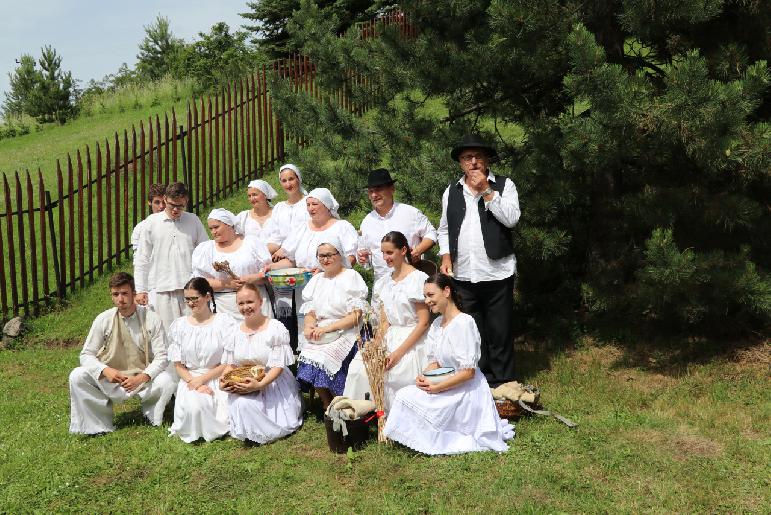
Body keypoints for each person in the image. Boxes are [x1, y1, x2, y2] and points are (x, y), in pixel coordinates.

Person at [383, 273, 512, 455]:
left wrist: (438, 388)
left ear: (446, 291)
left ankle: (443, 434)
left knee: (415, 398)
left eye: (431, 295)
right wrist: (424, 377)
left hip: (466, 389)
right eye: (425, 296)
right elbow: (434, 361)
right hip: (444, 382)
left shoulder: (464, 323)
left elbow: (468, 373)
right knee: (405, 394)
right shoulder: (436, 324)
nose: (427, 301)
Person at [437, 134, 520, 386]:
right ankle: (478, 383)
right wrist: (445, 255)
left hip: (496, 271)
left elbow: (512, 219)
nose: (472, 162)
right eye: (467, 158)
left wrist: (487, 191)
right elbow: (444, 229)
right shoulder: (451, 191)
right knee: (472, 332)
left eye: (478, 157)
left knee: (500, 331)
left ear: (486, 161)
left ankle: (504, 384)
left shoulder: (505, 186)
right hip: (462, 274)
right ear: (460, 163)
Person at [69, 272, 175, 435]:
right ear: (111, 296)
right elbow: (86, 354)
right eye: (115, 294)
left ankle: (151, 415)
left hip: (141, 378)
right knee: (77, 375)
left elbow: (162, 356)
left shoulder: (152, 318)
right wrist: (105, 371)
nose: (121, 299)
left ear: (133, 293)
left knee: (167, 380)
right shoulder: (103, 319)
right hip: (112, 378)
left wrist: (142, 377)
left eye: (125, 293)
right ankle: (97, 425)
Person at [344, 231, 430, 408]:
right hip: (390, 336)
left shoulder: (418, 279)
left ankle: (398, 415)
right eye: (382, 253)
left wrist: (398, 353)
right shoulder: (384, 282)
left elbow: (424, 322)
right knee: (359, 366)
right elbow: (384, 322)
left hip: (413, 336)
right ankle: (361, 413)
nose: (385, 257)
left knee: (397, 370)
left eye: (389, 252)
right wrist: (376, 343)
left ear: (403, 250)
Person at [269, 187, 358, 348]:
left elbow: (351, 257)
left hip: (333, 285)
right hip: (305, 286)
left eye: (315, 204)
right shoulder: (303, 228)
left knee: (331, 327)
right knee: (308, 325)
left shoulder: (342, 226)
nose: (311, 208)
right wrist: (270, 267)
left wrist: (325, 271)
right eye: (308, 205)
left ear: (326, 205)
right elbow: (290, 258)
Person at [220, 283, 302, 444]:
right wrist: (222, 381)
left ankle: (261, 427)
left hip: (272, 381)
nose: (245, 307)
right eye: (241, 303)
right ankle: (248, 428)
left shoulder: (275, 328)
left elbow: (278, 366)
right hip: (243, 380)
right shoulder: (234, 332)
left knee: (246, 405)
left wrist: (259, 385)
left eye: (250, 302)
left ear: (260, 301)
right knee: (241, 403)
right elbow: (230, 365)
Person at [296, 238, 368, 410]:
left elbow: (356, 316)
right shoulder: (316, 280)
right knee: (309, 355)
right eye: (321, 256)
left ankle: (340, 401)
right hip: (322, 330)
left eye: (329, 255)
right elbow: (310, 311)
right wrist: (309, 326)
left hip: (347, 330)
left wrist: (327, 328)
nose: (325, 259)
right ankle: (327, 403)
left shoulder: (351, 277)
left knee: (326, 357)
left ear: (339, 255)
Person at [167, 277, 236, 443]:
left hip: (218, 377)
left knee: (224, 415)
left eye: (195, 298)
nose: (191, 303)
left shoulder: (224, 323)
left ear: (207, 296)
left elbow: (228, 362)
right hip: (189, 380)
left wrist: (203, 380)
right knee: (196, 407)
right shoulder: (179, 326)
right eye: (187, 299)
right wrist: (194, 382)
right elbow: (178, 365)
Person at [134, 182, 209, 332]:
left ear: (186, 201)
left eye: (180, 206)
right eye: (172, 205)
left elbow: (205, 252)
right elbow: (142, 258)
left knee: (195, 330)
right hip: (162, 288)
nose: (175, 210)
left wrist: (204, 283)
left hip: (190, 287)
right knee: (168, 335)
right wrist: (141, 289)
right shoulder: (151, 223)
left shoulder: (193, 220)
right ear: (165, 199)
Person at [192, 208, 273, 320]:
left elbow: (270, 273)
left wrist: (252, 278)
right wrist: (225, 284)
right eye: (211, 228)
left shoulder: (251, 243)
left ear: (229, 225)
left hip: (255, 301)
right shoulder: (206, 249)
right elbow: (200, 282)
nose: (213, 232)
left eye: (216, 227)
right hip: (224, 307)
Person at [357, 169, 437, 280]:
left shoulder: (410, 213)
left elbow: (432, 234)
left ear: (392, 189)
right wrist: (363, 259)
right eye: (371, 191)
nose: (374, 195)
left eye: (378, 189)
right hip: (382, 284)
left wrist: (418, 250)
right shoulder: (367, 222)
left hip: (412, 280)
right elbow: (366, 258)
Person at [130, 183, 167, 308]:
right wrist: (141, 289)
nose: (161, 206)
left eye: (164, 202)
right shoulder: (140, 229)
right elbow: (140, 260)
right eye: (157, 202)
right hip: (153, 285)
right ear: (149, 203)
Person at [267, 163, 309, 255]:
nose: (288, 184)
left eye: (291, 179)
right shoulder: (279, 208)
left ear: (298, 178)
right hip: (282, 254)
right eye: (284, 181)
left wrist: (284, 250)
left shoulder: (309, 203)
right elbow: (275, 237)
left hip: (305, 251)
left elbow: (307, 232)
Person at [235, 179, 280, 250]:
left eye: (254, 195)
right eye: (249, 196)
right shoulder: (243, 217)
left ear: (265, 195)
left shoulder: (278, 214)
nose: (252, 199)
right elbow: (235, 240)